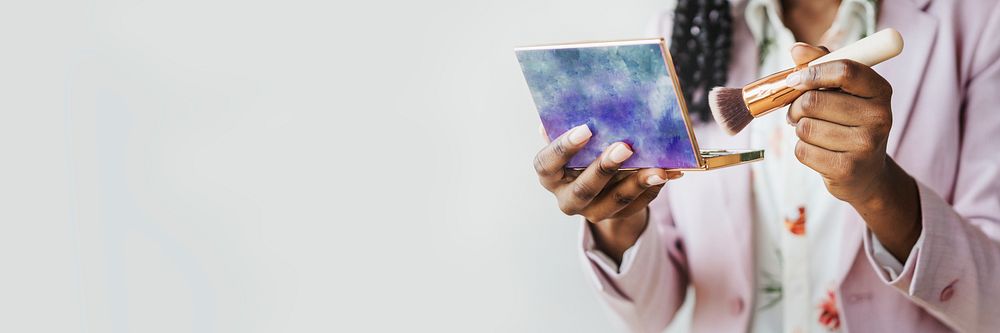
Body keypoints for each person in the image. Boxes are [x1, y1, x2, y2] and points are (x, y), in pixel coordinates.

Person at [531, 0, 1000, 331]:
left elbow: (992, 306)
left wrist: (876, 189)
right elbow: (648, 316)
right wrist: (620, 212)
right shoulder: (682, 32)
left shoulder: (978, 23)